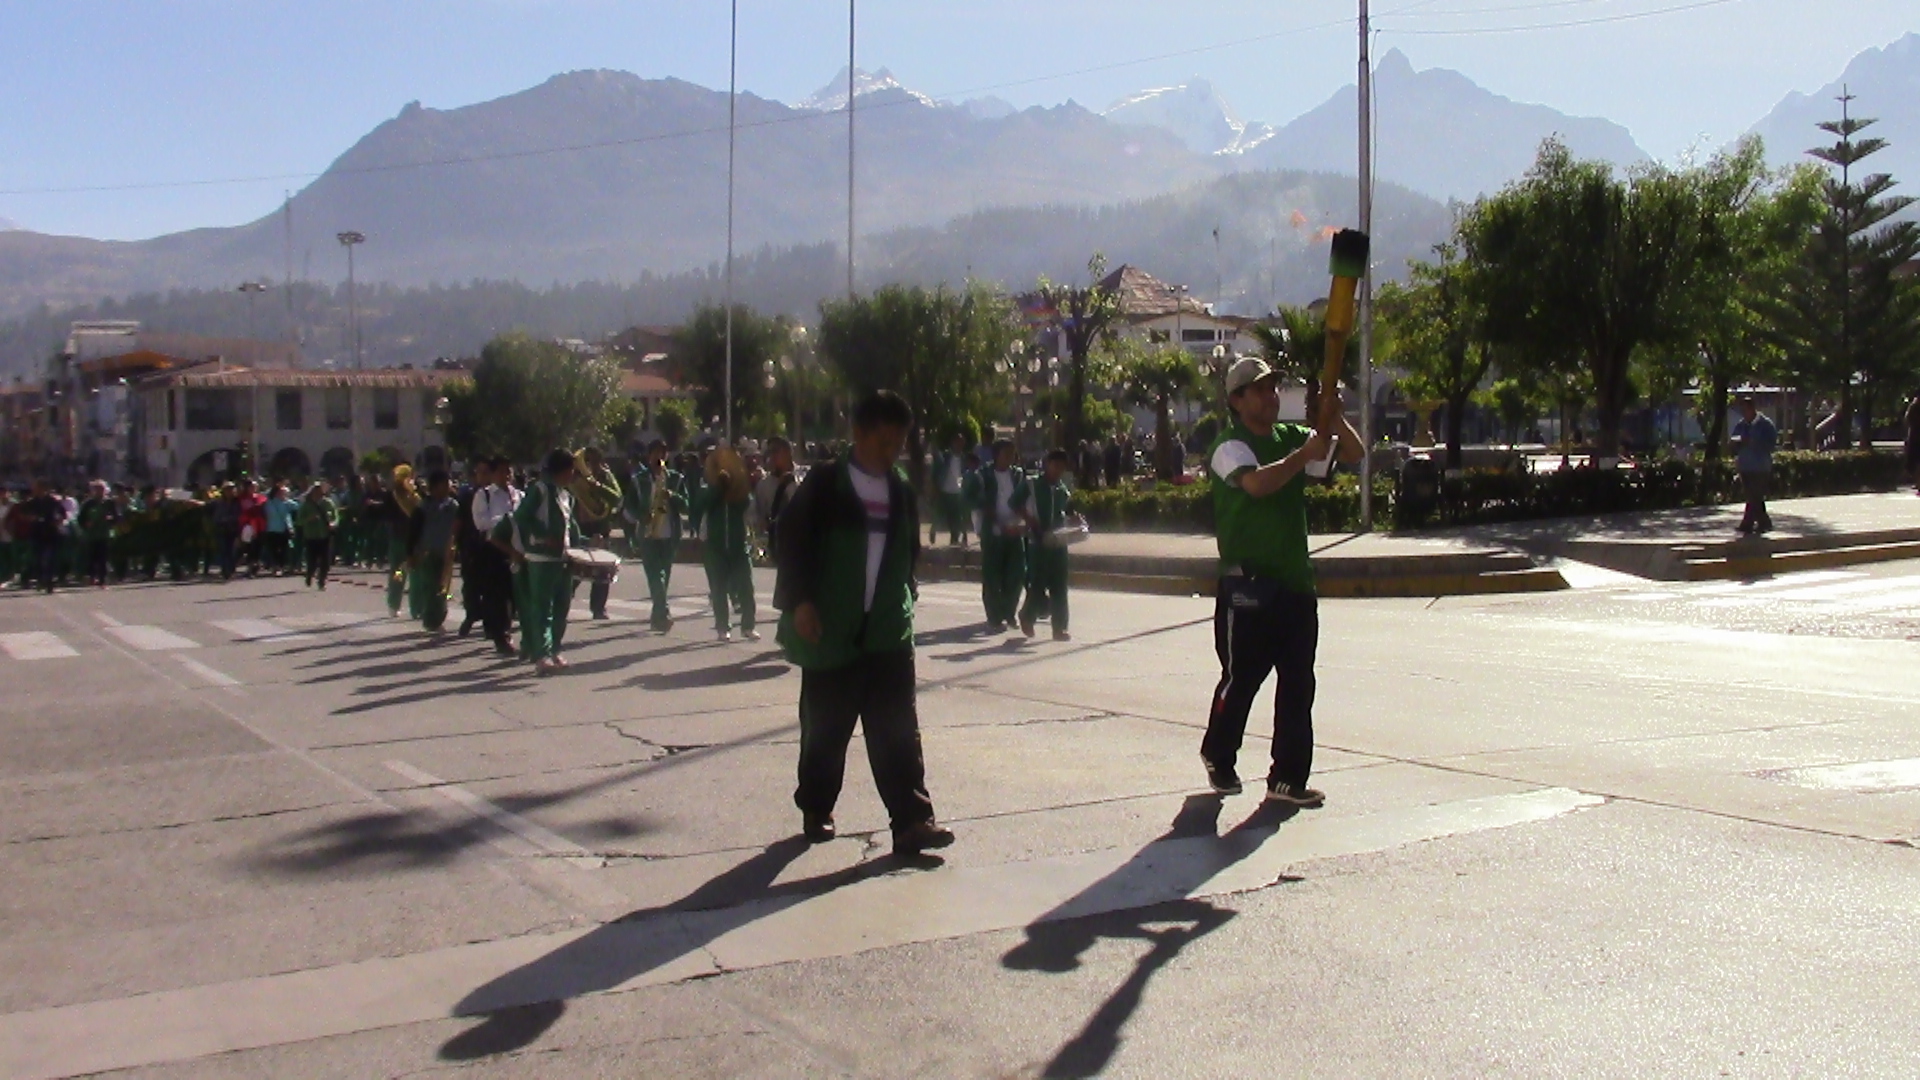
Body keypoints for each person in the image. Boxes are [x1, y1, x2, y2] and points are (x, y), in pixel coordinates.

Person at [774, 390, 953, 857]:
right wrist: (801, 602)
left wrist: (906, 592)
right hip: (831, 630)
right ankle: (816, 806)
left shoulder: (901, 490)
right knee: (825, 732)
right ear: (858, 433)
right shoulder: (826, 484)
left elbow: (908, 550)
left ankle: (913, 821)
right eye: (882, 442)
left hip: (888, 632)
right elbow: (791, 542)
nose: (890, 453)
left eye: (898, 444)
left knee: (898, 731)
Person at [1200, 357, 1363, 806]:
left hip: (1295, 583)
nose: (1270, 397)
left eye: (1273, 388)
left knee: (1297, 684)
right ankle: (1218, 752)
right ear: (1237, 400)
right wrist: (1304, 454)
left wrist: (1334, 418)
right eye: (1259, 390)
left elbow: (1353, 454)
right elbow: (1257, 485)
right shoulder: (1228, 446)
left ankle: (1287, 778)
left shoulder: (1291, 437)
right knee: (1242, 680)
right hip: (1248, 585)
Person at [495, 449, 581, 675]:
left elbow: (570, 526)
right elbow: (522, 516)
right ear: (561, 470)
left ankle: (555, 649)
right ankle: (541, 655)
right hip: (541, 558)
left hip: (563, 557)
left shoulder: (566, 495)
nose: (573, 474)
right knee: (543, 608)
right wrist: (543, 535)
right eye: (571, 469)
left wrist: (583, 544)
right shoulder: (539, 490)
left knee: (562, 607)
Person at [690, 442, 758, 642]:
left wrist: (735, 486)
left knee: (746, 586)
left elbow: (746, 503)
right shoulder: (706, 487)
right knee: (718, 588)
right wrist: (718, 488)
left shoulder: (739, 488)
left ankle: (748, 626)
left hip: (738, 544)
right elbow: (700, 506)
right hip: (715, 546)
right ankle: (722, 626)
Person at [963, 439, 1029, 632]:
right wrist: (989, 513)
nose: (1010, 457)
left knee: (1017, 572)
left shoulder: (1018, 475)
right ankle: (994, 616)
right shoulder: (982, 476)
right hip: (992, 533)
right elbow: (968, 498)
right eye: (1006, 453)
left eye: (1012, 453)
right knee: (992, 576)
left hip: (1014, 530)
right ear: (996, 455)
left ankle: (1009, 612)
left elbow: (1026, 498)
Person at [624, 440, 689, 633]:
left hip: (670, 534)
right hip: (648, 533)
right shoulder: (639, 479)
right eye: (655, 453)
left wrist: (673, 496)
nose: (659, 457)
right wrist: (641, 515)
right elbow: (629, 505)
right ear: (648, 455)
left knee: (663, 577)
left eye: (662, 453)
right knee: (655, 575)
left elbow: (687, 505)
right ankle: (664, 613)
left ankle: (657, 618)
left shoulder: (676, 478)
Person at [1019, 449, 1075, 642]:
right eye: (1055, 465)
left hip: (1058, 542)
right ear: (1047, 464)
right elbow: (1015, 503)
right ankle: (1027, 617)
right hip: (1038, 541)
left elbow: (1065, 512)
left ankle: (1060, 628)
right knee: (1038, 583)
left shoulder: (1062, 489)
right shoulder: (1032, 484)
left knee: (1060, 585)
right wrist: (1030, 521)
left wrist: (1074, 519)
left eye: (1062, 467)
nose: (1058, 470)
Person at [469, 456, 522, 656]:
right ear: (492, 474)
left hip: (516, 546)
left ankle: (505, 628)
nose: (506, 475)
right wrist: (506, 521)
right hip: (493, 549)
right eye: (501, 471)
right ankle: (501, 636)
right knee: (497, 596)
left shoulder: (519, 495)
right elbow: (481, 523)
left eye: (509, 471)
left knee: (514, 594)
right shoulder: (484, 495)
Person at [569, 447, 624, 620]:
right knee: (576, 567)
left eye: (593, 462)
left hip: (601, 526)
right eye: (586, 462)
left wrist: (598, 487)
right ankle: (564, 598)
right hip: (580, 526)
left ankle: (598, 608)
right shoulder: (574, 477)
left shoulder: (606, 476)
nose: (589, 465)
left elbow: (617, 498)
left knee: (602, 569)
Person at [406, 471, 461, 633]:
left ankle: (438, 616)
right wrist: (410, 553)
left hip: (447, 553)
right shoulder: (423, 507)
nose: (449, 486)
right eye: (446, 483)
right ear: (436, 487)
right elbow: (413, 531)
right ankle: (431, 621)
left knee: (443, 586)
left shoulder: (453, 506)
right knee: (430, 587)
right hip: (428, 553)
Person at [1731, 396, 1777, 535]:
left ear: (1752, 409)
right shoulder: (1741, 425)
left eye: (1746, 410)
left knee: (1755, 495)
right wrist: (1736, 443)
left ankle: (1751, 523)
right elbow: (1734, 439)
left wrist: (1753, 442)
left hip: (1760, 466)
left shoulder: (1765, 424)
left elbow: (1771, 444)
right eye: (1742, 410)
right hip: (1745, 466)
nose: (1744, 413)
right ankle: (1761, 523)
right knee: (1753, 496)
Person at [753, 436, 799, 564]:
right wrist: (761, 522)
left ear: (788, 453)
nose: (771, 457)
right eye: (769, 452)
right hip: (775, 546)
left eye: (775, 451)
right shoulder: (764, 486)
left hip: (800, 544)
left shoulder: (803, 479)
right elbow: (755, 513)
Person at [19, 481, 66, 593]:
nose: (36, 490)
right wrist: (30, 518)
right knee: (38, 559)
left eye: (38, 488)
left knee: (50, 559)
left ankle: (49, 582)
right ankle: (40, 580)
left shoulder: (53, 501)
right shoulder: (31, 502)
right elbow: (22, 514)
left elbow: (63, 514)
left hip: (51, 532)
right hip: (37, 533)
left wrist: (58, 521)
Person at [931, 433, 972, 548]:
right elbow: (936, 471)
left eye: (961, 443)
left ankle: (954, 538)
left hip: (957, 492)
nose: (959, 445)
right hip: (944, 490)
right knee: (939, 514)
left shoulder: (964, 459)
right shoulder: (945, 456)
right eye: (957, 443)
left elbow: (966, 474)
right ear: (952, 443)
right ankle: (933, 530)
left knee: (956, 517)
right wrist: (934, 486)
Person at [76, 480, 119, 588]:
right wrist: (86, 524)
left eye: (101, 489)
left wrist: (110, 519)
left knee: (103, 557)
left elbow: (116, 517)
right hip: (91, 535)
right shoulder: (88, 503)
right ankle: (92, 576)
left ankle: (102, 579)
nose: (99, 491)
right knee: (92, 556)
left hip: (104, 533)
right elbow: (80, 518)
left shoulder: (109, 502)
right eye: (97, 489)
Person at [298, 481, 339, 590]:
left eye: (320, 490)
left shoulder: (328, 503)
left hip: (325, 535)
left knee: (325, 560)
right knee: (312, 560)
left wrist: (333, 524)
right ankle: (309, 574)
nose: (318, 493)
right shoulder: (306, 505)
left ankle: (322, 580)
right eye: (315, 490)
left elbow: (336, 516)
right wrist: (308, 519)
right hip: (311, 536)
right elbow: (299, 521)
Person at [263, 483, 299, 576]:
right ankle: (276, 567)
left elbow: (297, 506)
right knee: (273, 550)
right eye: (281, 492)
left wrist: (287, 499)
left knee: (283, 549)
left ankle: (281, 566)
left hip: (283, 529)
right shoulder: (268, 502)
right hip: (271, 529)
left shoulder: (287, 502)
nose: (283, 494)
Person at [1904, 393, 1920, 495]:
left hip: (1915, 438)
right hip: (1915, 438)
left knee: (1915, 463)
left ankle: (1918, 484)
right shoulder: (1914, 406)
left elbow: (1907, 419)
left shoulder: (1913, 406)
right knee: (1915, 463)